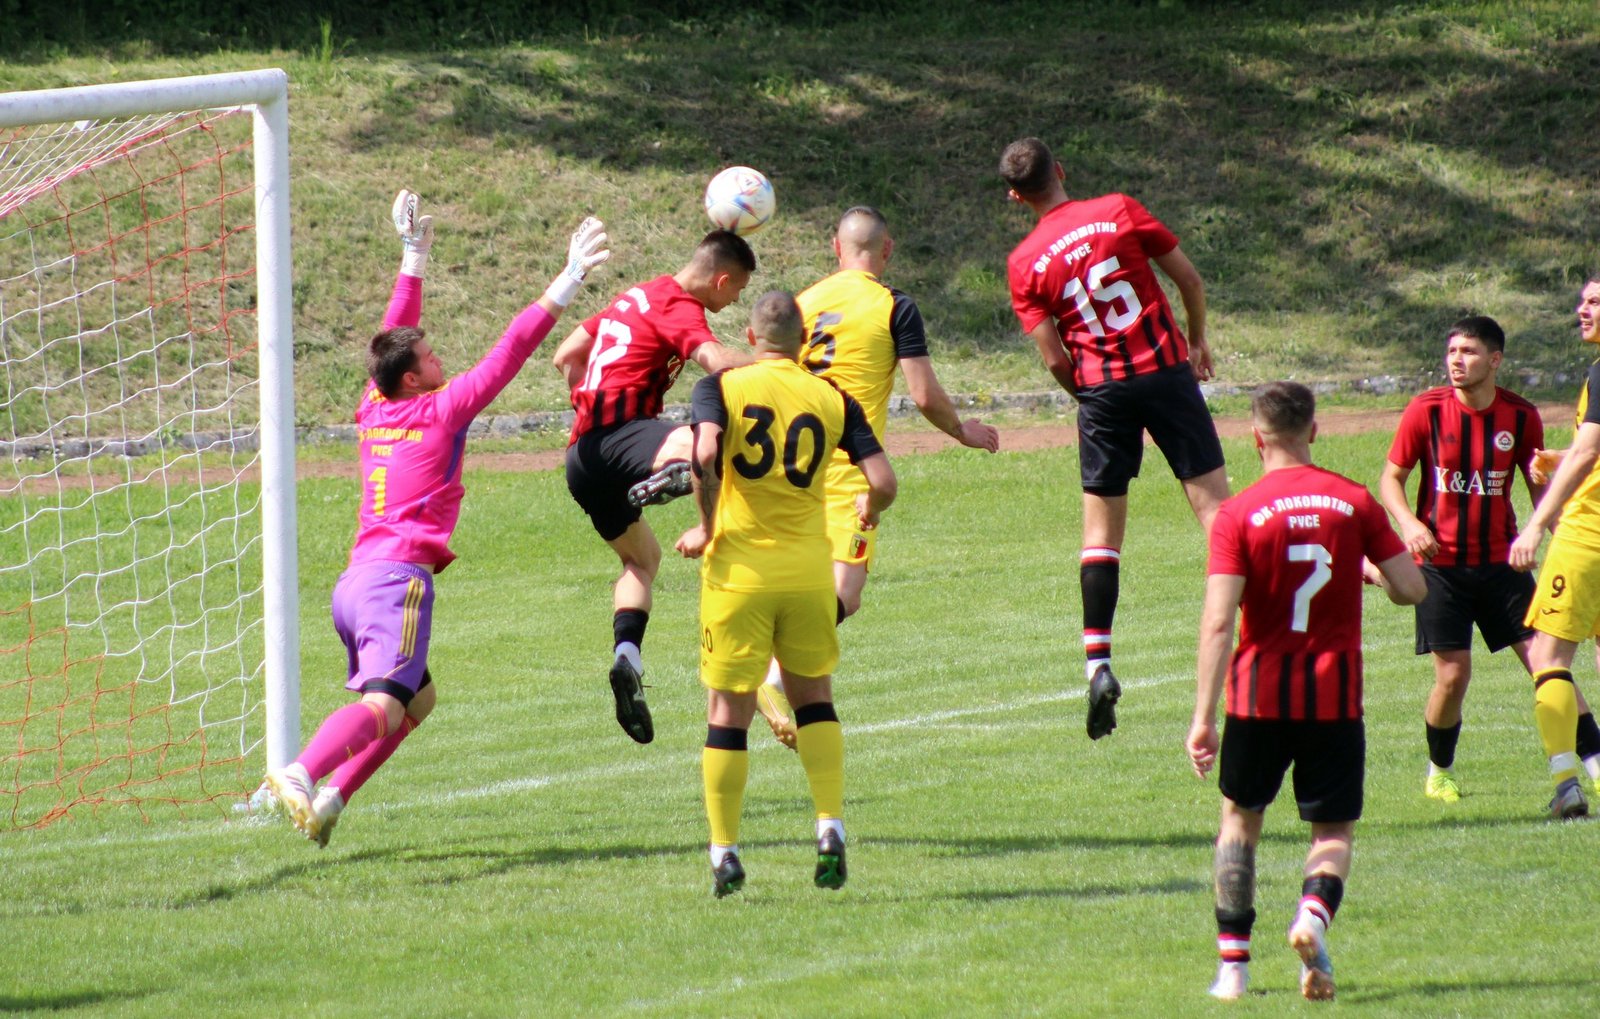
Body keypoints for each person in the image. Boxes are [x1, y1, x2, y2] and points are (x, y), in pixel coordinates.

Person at [263, 191, 611, 845]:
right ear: (414, 380)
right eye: (428, 357)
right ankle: (301, 772)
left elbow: (388, 340)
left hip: (355, 585)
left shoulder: (374, 405)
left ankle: (332, 799)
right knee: (384, 705)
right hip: (397, 582)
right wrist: (568, 278)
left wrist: (412, 257)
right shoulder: (441, 411)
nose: (438, 358)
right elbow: (511, 349)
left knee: (416, 702)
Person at [1187, 381, 1426, 1002]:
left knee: (1240, 821)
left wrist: (1203, 717)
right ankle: (1312, 918)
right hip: (1333, 698)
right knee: (1331, 832)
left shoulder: (1237, 514)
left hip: (1257, 698)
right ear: (1314, 431)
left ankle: (1233, 970)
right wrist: (1369, 570)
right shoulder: (1353, 501)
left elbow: (1218, 621)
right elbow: (1412, 590)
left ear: (1255, 437)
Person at [1000, 136, 1229, 741]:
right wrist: (1196, 340)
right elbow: (1189, 279)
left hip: (1102, 391)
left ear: (1016, 197)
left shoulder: (1024, 262)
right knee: (1216, 514)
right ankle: (1262, 626)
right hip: (1166, 374)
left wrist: (1093, 400)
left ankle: (1098, 663)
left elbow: (1054, 357)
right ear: (1061, 170)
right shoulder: (1118, 209)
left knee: (1101, 537)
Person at [673, 290, 896, 897]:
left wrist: (705, 526)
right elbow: (883, 480)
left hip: (739, 575)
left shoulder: (721, 387)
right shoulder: (832, 396)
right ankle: (829, 827)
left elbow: (707, 452)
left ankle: (724, 851)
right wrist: (871, 509)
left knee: (727, 713)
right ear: (802, 342)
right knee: (814, 700)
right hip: (807, 573)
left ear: (750, 337)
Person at [753, 206, 1000, 748]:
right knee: (846, 591)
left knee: (796, 579)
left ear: (835, 248)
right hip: (849, 470)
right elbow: (924, 395)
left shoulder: (802, 302)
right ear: (887, 249)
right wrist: (962, 429)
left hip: (789, 463)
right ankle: (770, 675)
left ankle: (778, 685)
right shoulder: (894, 306)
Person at [1380, 316, 1600, 803]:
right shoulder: (1425, 410)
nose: (1456, 361)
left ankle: (1594, 766)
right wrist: (1410, 525)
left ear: (1495, 360)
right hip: (1440, 569)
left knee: (1545, 664)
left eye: (1469, 352)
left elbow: (1540, 485)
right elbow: (1391, 478)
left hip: (1504, 567)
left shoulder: (1520, 416)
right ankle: (1439, 772)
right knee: (1453, 675)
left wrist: (1557, 536)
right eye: (1452, 352)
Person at [550, 231, 755, 745]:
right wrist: (778, 360)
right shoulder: (678, 304)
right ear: (721, 279)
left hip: (582, 458)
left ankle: (628, 656)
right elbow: (717, 362)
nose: (735, 301)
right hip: (622, 436)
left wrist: (587, 400)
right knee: (714, 443)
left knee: (642, 560)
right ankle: (674, 473)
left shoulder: (635, 296)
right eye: (737, 290)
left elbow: (566, 355)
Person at [1509, 276, 1600, 819]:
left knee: (1546, 658)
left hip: (1588, 534)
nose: (1581, 309)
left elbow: (1589, 452)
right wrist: (1561, 458)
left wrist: (1537, 523)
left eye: (1594, 302)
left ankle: (1566, 783)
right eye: (1583, 300)